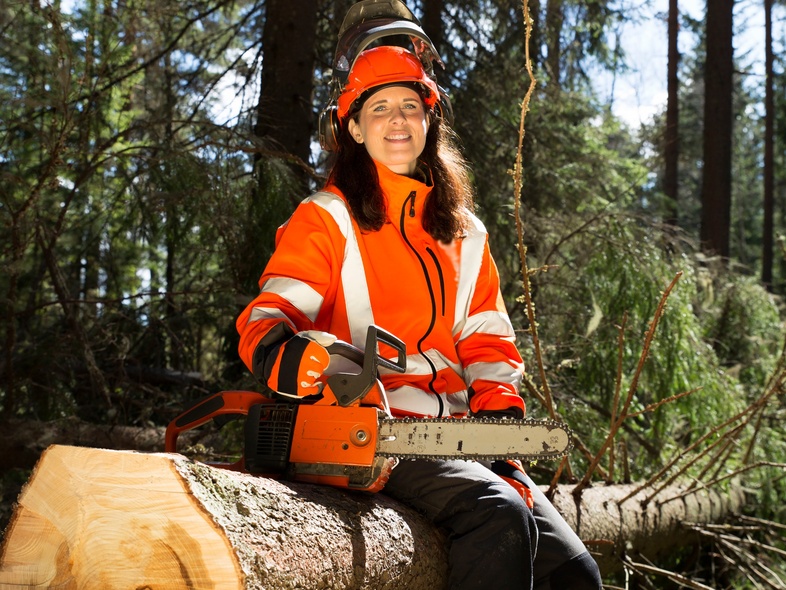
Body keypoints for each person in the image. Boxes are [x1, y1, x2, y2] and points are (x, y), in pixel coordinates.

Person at [236, 41, 602, 590]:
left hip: (453, 435)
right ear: (354, 128)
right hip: (370, 428)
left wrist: (499, 431)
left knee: (575, 573)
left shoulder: (465, 231)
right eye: (379, 108)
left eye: (409, 105)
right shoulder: (326, 218)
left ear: (430, 119)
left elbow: (487, 341)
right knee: (496, 514)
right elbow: (269, 316)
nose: (397, 120)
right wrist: (289, 355)